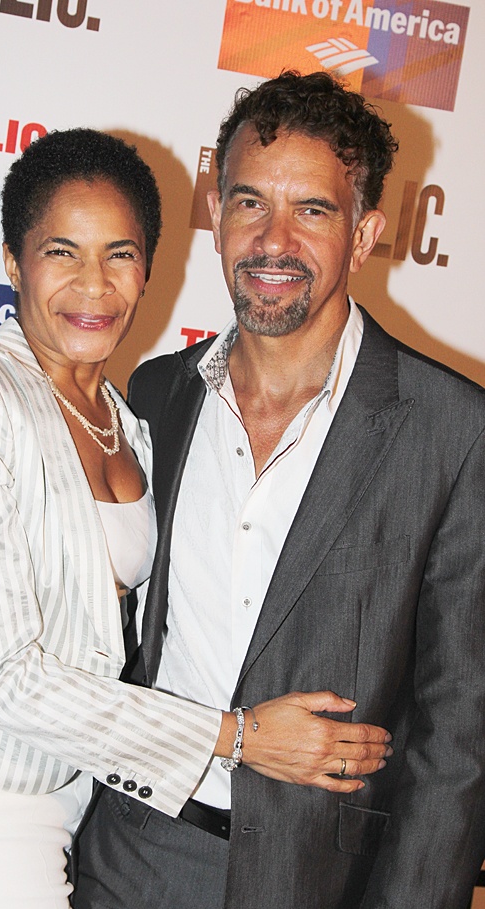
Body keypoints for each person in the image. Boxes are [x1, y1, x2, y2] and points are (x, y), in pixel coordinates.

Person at [0, 124, 392, 909]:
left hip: (73, 795)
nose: (94, 286)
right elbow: (2, 677)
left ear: (149, 268)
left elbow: (101, 610)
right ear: (14, 261)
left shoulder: (130, 419)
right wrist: (243, 736)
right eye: (62, 252)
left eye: (119, 254)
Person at [68, 72, 485, 908]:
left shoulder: (452, 430)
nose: (273, 240)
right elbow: (95, 593)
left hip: (315, 880)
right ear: (216, 213)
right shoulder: (155, 394)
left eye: (313, 210)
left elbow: (460, 735)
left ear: (364, 235)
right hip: (128, 851)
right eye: (250, 202)